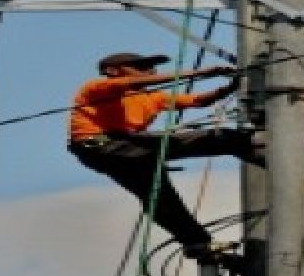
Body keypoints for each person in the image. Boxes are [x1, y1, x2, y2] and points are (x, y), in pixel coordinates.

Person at [67, 52, 260, 261]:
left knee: (160, 198)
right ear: (112, 71)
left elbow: (198, 101)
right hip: (99, 146)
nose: (150, 71)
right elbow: (135, 82)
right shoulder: (96, 88)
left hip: (132, 149)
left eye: (151, 67)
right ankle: (246, 146)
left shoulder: (152, 98)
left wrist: (230, 87)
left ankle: (197, 243)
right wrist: (203, 72)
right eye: (141, 67)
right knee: (190, 141)